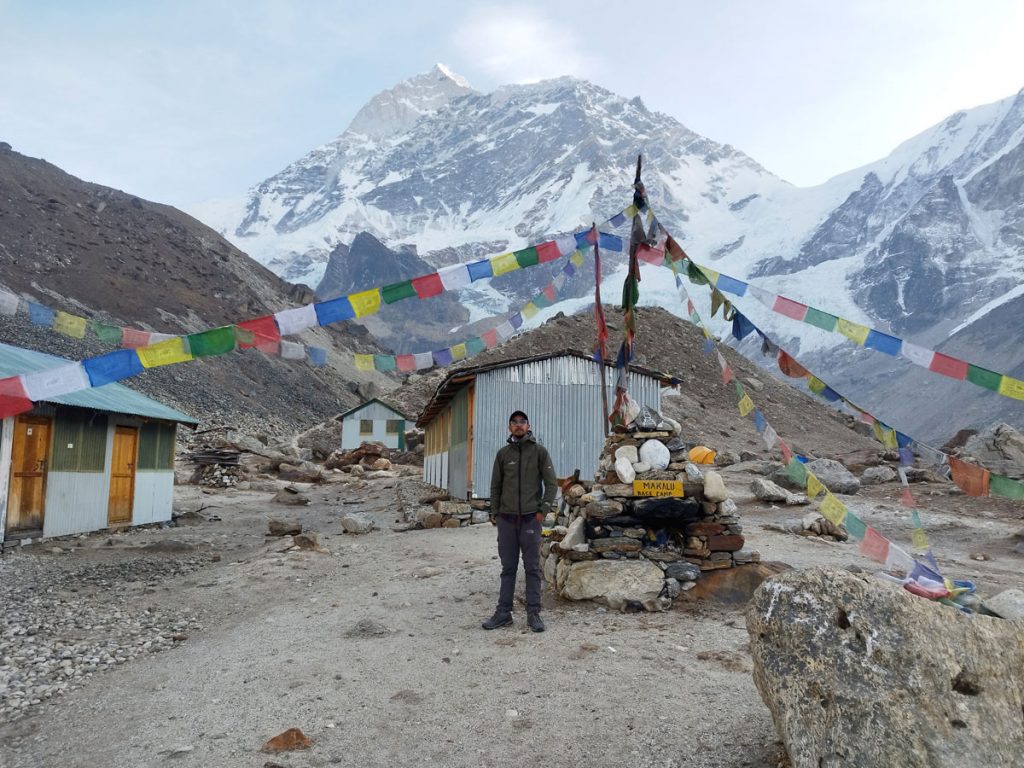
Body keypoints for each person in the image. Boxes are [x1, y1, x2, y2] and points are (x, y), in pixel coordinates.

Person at [482, 410, 557, 632]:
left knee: (532, 568)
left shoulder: (540, 452)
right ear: (509, 427)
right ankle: (503, 613)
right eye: (514, 422)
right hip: (507, 520)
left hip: (530, 520)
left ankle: (533, 613)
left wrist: (542, 510)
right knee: (508, 568)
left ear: (528, 425)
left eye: (522, 422)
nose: (518, 425)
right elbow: (496, 485)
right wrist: (494, 512)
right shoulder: (503, 454)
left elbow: (551, 484)